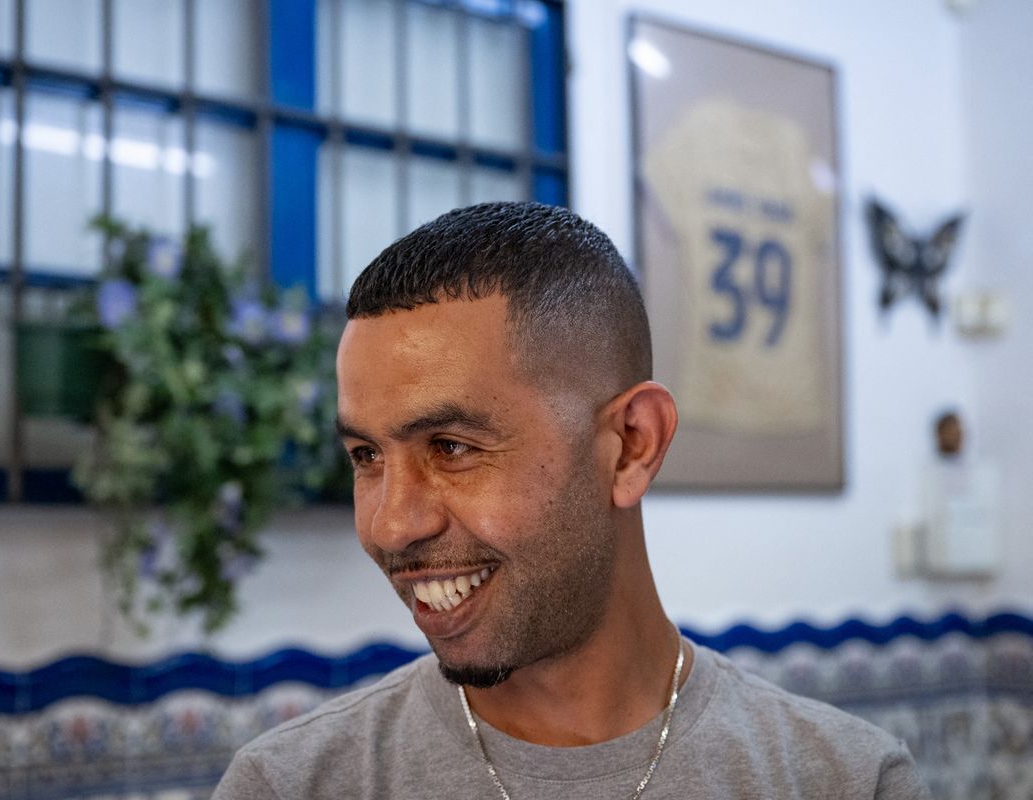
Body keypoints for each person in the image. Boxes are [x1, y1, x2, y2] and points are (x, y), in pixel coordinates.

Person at [213, 202, 928, 799]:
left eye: (451, 447)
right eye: (365, 456)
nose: (392, 524)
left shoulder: (846, 782)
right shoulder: (291, 787)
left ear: (631, 444)